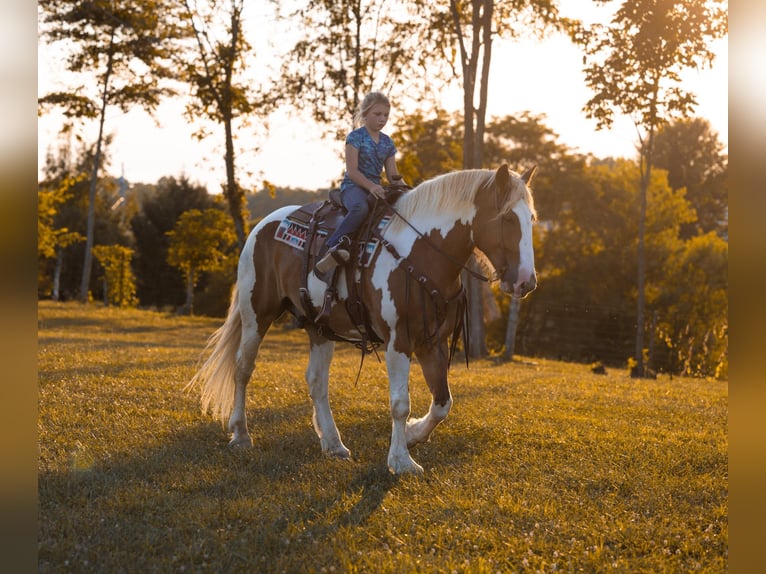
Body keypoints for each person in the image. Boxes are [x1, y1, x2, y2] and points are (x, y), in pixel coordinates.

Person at [315, 91, 404, 274]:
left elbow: (393, 175)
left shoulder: (387, 143)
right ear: (365, 114)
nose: (382, 119)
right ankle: (333, 246)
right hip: (354, 187)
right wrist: (371, 186)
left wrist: (409, 191)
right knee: (360, 208)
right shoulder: (355, 137)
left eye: (386, 115)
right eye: (377, 114)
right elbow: (352, 171)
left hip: (377, 189)